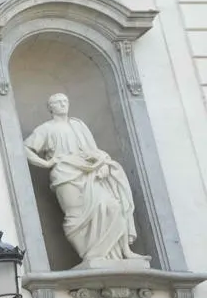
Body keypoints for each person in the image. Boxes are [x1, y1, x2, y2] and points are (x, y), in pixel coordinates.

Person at [23, 92, 144, 266]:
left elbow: (93, 150)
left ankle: (124, 250)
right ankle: (89, 256)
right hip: (65, 174)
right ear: (50, 108)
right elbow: (25, 148)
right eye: (58, 102)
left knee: (113, 206)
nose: (63, 104)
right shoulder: (46, 129)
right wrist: (46, 163)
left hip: (88, 171)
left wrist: (103, 164)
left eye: (65, 100)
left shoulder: (78, 125)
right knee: (75, 217)